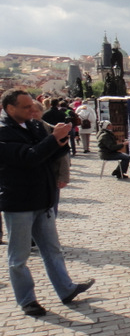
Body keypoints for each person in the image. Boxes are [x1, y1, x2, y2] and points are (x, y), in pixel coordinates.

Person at [0, 89, 94, 316]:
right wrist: (53, 139)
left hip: (43, 198)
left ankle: (66, 289)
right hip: (19, 202)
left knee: (52, 249)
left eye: (32, 106)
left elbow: (46, 155)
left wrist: (60, 141)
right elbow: (29, 158)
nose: (32, 110)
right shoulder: (3, 131)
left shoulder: (32, 125)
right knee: (19, 257)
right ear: (9, 108)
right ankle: (27, 299)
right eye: (26, 107)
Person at [31, 100, 70, 216]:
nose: (33, 114)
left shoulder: (50, 129)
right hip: (31, 177)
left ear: (41, 112)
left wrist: (63, 176)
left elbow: (62, 155)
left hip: (51, 175)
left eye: (36, 111)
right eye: (30, 111)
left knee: (51, 211)